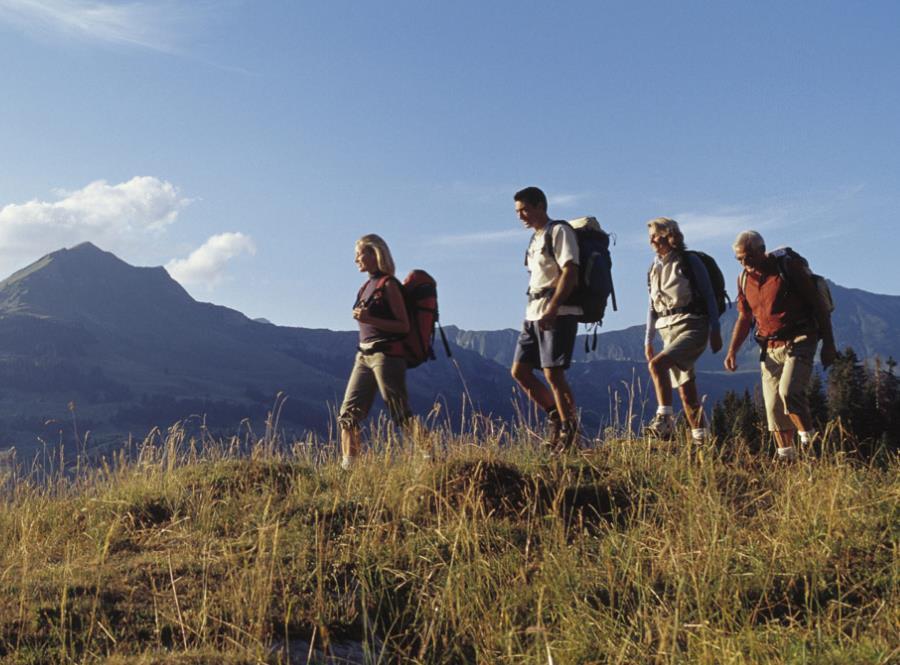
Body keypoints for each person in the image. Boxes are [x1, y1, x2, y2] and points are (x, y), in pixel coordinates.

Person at [724, 230, 837, 461]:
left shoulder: (788, 268)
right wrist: (732, 350)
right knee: (773, 408)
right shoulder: (744, 279)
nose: (745, 263)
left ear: (761, 251)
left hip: (800, 339)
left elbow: (818, 306)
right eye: (739, 259)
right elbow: (745, 317)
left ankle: (812, 447)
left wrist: (829, 344)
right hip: (769, 347)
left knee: (790, 392)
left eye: (748, 257)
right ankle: (786, 458)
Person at [510, 186, 581, 452]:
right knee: (520, 371)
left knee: (553, 372)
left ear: (541, 205)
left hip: (557, 312)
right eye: (518, 211)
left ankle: (570, 432)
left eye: (525, 209)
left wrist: (553, 308)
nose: (521, 216)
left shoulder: (559, 232)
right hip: (533, 312)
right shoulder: (534, 239)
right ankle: (556, 417)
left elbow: (570, 271)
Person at [643, 218, 722, 442]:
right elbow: (651, 306)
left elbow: (708, 295)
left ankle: (664, 419)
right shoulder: (653, 268)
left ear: (670, 236)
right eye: (650, 235)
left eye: (656, 234)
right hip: (666, 330)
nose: (652, 239)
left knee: (657, 364)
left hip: (692, 326)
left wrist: (715, 330)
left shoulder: (689, 261)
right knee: (687, 394)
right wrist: (648, 340)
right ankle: (702, 440)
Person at [337, 234, 412, 470]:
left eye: (359, 254)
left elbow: (403, 326)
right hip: (364, 355)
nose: (356, 259)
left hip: (386, 354)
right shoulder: (365, 287)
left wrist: (370, 318)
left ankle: (429, 455)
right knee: (348, 415)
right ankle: (349, 468)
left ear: (374, 254)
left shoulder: (389, 285)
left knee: (399, 411)